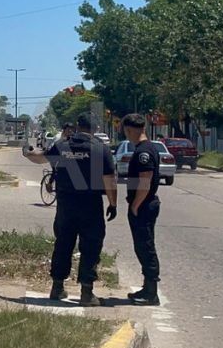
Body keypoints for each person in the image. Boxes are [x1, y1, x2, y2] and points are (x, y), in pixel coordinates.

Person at [22, 113, 117, 306]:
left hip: (66, 204)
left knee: (63, 244)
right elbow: (110, 180)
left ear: (77, 126)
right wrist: (113, 204)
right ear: (95, 128)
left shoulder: (62, 145)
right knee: (91, 247)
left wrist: (27, 153)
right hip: (90, 204)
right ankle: (86, 293)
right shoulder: (101, 149)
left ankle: (57, 287)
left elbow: (41, 159)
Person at [122, 113, 163, 305]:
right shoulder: (145, 148)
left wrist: (135, 206)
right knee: (142, 246)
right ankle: (146, 288)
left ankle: (151, 293)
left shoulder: (144, 152)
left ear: (129, 130)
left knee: (146, 247)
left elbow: (145, 182)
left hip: (144, 206)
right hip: (143, 204)